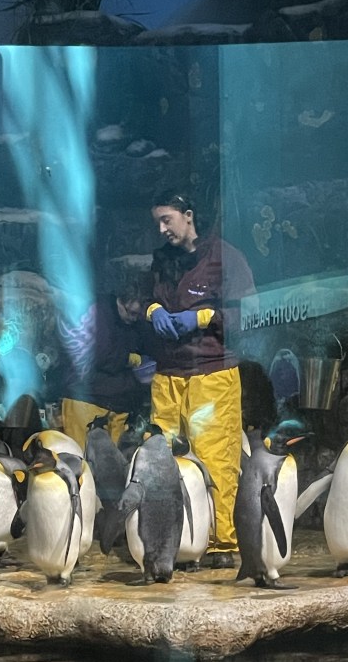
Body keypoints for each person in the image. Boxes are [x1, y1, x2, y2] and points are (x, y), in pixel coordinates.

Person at [145, 190, 256, 568]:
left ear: (188, 215)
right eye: (157, 222)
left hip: (212, 374)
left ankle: (221, 542)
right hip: (168, 375)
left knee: (216, 459)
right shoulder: (163, 260)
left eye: (167, 220)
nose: (161, 229)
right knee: (162, 461)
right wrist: (153, 308)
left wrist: (205, 317)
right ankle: (172, 540)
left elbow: (248, 317)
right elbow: (144, 295)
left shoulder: (225, 259)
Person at [59, 278, 152, 452]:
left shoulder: (134, 325)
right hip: (86, 398)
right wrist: (129, 359)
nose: (133, 319)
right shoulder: (97, 312)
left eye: (136, 315)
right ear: (120, 301)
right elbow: (98, 353)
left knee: (114, 466)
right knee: (82, 458)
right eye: (130, 312)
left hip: (118, 402)